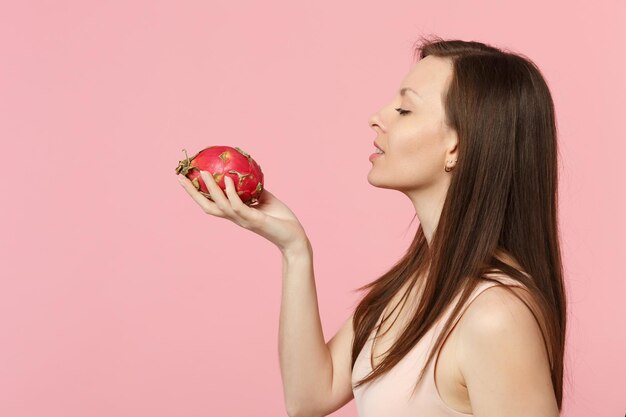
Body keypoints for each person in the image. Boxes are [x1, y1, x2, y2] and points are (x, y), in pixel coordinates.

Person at [177, 35, 566, 417]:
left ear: (457, 148)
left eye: (405, 110)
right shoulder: (414, 285)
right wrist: (294, 249)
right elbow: (309, 397)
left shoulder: (496, 316)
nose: (376, 117)